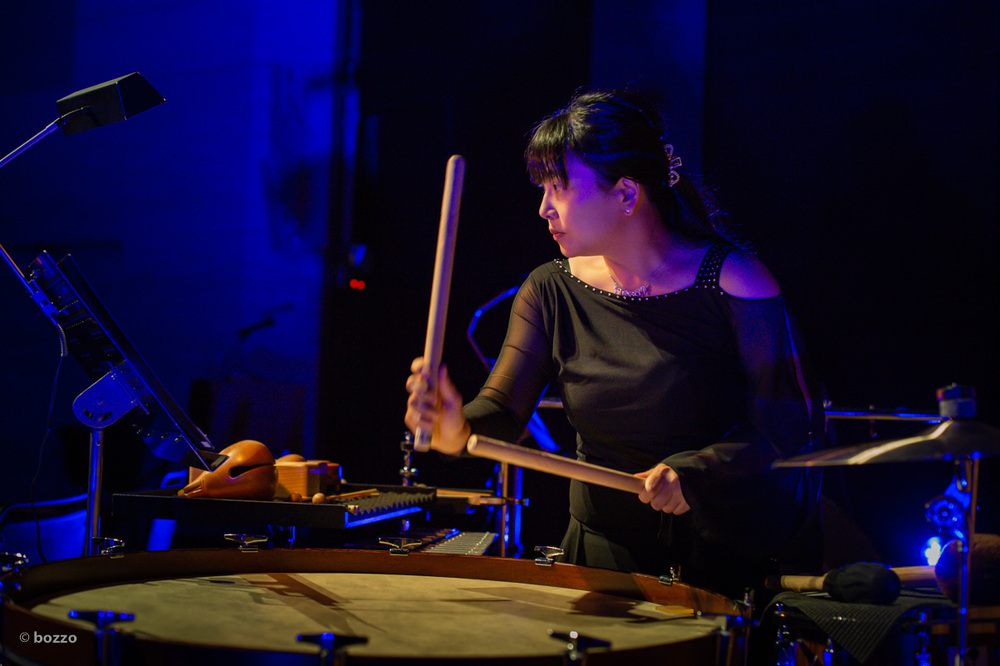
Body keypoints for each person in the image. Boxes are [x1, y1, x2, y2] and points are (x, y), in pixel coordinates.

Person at [405, 89, 825, 599]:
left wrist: (696, 472)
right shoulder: (549, 288)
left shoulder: (734, 280)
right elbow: (503, 409)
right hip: (601, 553)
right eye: (542, 189)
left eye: (558, 188)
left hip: (721, 553)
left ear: (626, 193)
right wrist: (456, 429)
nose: (543, 209)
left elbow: (791, 420)